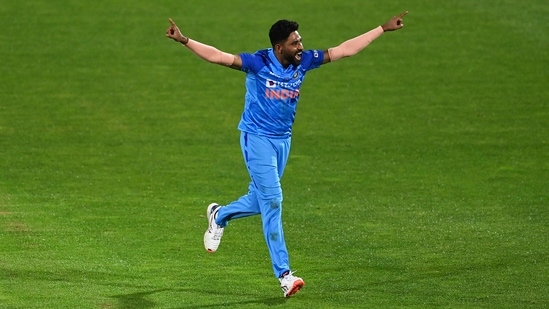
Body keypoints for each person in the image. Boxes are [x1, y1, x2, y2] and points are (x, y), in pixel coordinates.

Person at [165, 11, 408, 298]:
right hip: (256, 139)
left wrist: (382, 28)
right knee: (274, 201)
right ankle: (284, 274)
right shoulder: (259, 62)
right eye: (295, 43)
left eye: (300, 41)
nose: (301, 47)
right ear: (279, 48)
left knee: (261, 199)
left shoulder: (303, 62)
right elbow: (219, 56)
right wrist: (184, 40)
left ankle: (220, 215)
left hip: (283, 141)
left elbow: (344, 50)